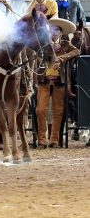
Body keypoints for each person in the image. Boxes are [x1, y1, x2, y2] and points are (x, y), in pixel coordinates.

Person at [35, 18, 79, 148]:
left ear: (60, 33)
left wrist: (61, 58)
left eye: (57, 31)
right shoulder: (43, 44)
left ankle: (54, 139)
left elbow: (77, 51)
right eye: (52, 30)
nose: (54, 33)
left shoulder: (65, 44)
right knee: (40, 110)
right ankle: (42, 139)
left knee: (58, 111)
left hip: (59, 81)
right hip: (44, 80)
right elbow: (35, 54)